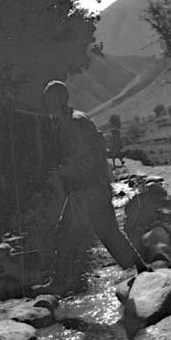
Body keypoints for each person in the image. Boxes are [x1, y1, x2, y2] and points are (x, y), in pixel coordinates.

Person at [42, 80, 148, 275]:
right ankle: (141, 268)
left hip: (85, 189)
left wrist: (63, 171)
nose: (47, 105)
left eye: (49, 99)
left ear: (60, 99)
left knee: (65, 234)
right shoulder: (75, 119)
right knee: (108, 232)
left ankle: (60, 281)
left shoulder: (72, 123)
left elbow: (85, 159)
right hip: (91, 187)